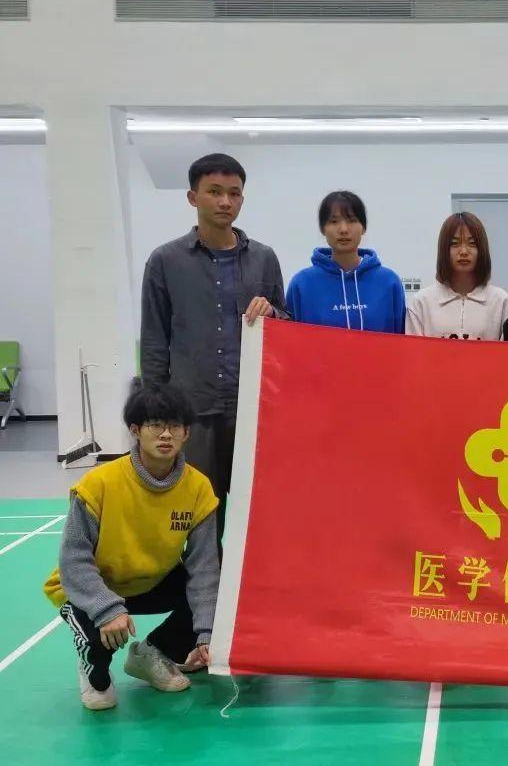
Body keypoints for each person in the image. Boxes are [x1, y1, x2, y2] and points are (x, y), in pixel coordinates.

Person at [140, 153, 287, 549]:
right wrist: (157, 412)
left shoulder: (264, 259)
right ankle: (204, 586)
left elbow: (287, 323)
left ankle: (249, 584)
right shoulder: (165, 261)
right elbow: (154, 339)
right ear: (193, 197)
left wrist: (273, 312)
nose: (225, 202)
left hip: (252, 409)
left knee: (257, 505)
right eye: (215, 192)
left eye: (234, 194)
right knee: (200, 509)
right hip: (194, 409)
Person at [43, 384, 220, 711]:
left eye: (175, 426)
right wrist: (107, 609)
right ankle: (93, 664)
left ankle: (151, 653)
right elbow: (74, 560)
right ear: (136, 430)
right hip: (91, 586)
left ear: (186, 434)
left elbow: (204, 567)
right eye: (155, 425)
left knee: (218, 597)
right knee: (101, 696)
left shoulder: (198, 488)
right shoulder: (99, 483)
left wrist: (207, 633)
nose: (165, 434)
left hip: (151, 582)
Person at [286, 191, 405, 332]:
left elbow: (401, 338)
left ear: (363, 227)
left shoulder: (388, 282)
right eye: (334, 221)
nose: (343, 229)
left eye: (352, 220)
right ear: (323, 229)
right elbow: (290, 338)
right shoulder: (302, 284)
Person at [406, 212, 508, 339]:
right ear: (444, 250)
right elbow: (412, 350)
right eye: (455, 243)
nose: (463, 251)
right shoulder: (421, 303)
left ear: (482, 249)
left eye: (472, 243)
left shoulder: (501, 302)